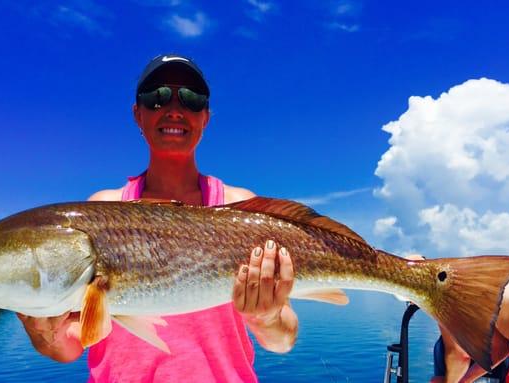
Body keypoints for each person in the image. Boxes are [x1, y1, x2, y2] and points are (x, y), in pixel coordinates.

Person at [17, 54, 299, 382]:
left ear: (205, 117)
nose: (174, 109)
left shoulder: (245, 210)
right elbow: (71, 346)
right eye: (157, 97)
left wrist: (267, 318)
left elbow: (283, 340)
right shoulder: (103, 208)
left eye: (192, 99)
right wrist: (44, 332)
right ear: (137, 114)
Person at [406, 255, 509, 383]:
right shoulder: (465, 277)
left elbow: (460, 357)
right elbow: (500, 349)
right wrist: (465, 380)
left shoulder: (443, 294)